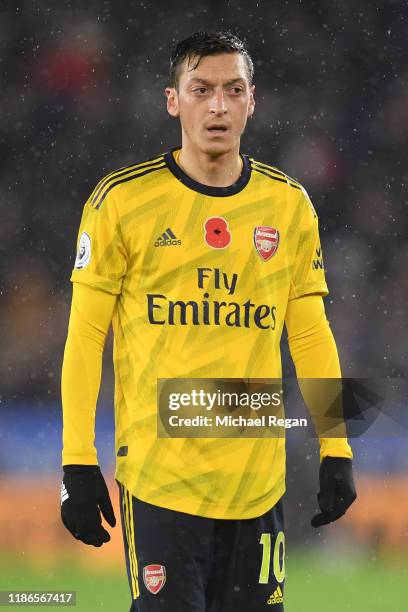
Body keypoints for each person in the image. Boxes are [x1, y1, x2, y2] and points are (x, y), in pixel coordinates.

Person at [60, 30, 357, 612]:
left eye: (233, 90)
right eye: (201, 90)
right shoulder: (121, 201)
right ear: (174, 101)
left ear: (253, 100)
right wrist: (76, 461)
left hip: (259, 487)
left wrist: (337, 448)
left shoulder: (289, 205)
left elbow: (311, 335)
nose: (217, 106)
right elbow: (86, 336)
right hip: (161, 485)